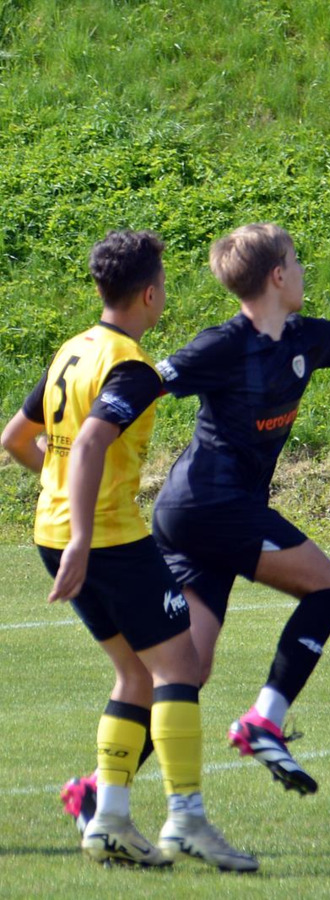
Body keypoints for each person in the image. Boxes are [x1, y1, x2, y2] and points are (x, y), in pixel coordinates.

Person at [54, 222, 330, 817]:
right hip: (211, 506)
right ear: (276, 276)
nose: (301, 270)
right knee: (329, 589)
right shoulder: (222, 345)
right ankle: (263, 722)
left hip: (196, 517)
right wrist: (98, 424)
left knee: (187, 671)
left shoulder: (304, 338)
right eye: (295, 261)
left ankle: (96, 789)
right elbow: (152, 379)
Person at [1, 230, 257, 870]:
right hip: (106, 540)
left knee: (136, 676)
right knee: (180, 669)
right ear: (150, 294)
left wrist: (64, 508)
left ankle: (110, 818)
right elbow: (90, 442)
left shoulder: (72, 349)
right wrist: (85, 536)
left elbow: (16, 440)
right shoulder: (131, 365)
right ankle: (187, 819)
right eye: (164, 285)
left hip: (52, 534)